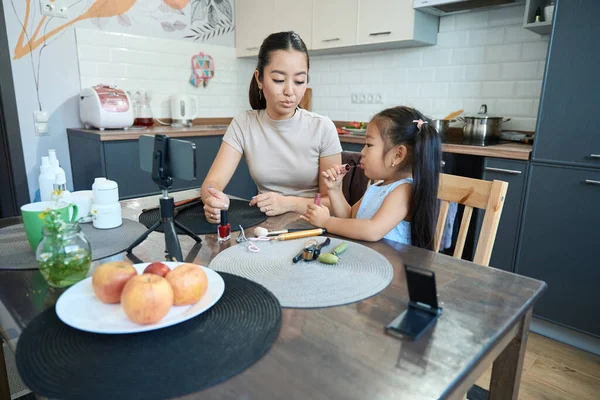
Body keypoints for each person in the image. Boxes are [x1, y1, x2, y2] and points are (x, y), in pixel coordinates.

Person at [201, 31, 342, 223]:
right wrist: (214, 200)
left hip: (312, 226)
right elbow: (212, 183)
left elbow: (333, 203)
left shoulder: (322, 128)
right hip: (263, 227)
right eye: (278, 80)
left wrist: (288, 203)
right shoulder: (244, 124)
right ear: (259, 79)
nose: (290, 91)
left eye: (299, 81)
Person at [301, 106, 442, 250]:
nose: (362, 152)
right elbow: (350, 217)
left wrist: (326, 221)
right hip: (368, 260)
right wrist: (335, 190)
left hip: (390, 266)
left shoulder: (404, 191)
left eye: (369, 145)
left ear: (398, 155)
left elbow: (372, 230)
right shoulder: (377, 187)